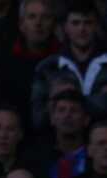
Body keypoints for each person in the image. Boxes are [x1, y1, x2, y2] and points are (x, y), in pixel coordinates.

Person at [29, 1, 107, 130]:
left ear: (96, 26)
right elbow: (38, 118)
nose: (82, 29)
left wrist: (61, 100)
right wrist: (99, 100)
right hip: (61, 145)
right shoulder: (47, 67)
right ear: (65, 27)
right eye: (75, 23)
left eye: (88, 23)